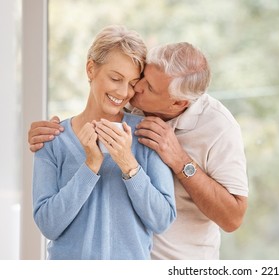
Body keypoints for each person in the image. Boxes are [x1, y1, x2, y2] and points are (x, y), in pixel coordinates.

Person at [29, 42, 248, 260]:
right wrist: (49, 134)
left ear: (177, 103)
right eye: (141, 77)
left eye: (149, 87)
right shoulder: (132, 104)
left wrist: (180, 161)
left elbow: (232, 219)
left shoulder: (219, 127)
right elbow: (98, 102)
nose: (134, 89)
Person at [31, 25, 176, 260]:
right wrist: (90, 166)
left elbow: (161, 221)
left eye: (132, 83)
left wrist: (128, 163)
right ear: (91, 69)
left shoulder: (146, 134)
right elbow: (48, 225)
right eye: (115, 78)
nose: (123, 91)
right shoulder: (52, 140)